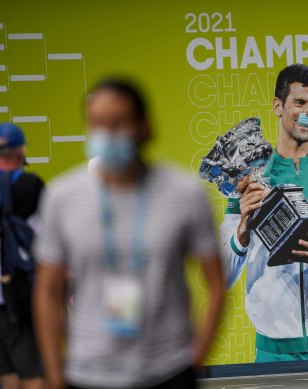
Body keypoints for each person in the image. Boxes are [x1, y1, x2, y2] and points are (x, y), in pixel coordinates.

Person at [33, 79, 225, 389]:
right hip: (87, 373)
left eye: (118, 123)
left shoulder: (185, 192)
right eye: (97, 123)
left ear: (144, 127)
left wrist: (195, 360)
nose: (107, 133)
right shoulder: (61, 197)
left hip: (168, 369)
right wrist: (55, 376)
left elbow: (216, 282)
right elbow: (47, 290)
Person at [220, 64, 308, 369]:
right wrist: (242, 232)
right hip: (274, 350)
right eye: (299, 103)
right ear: (277, 106)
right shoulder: (248, 178)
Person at [0, 123, 44, 389]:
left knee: (7, 369)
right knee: (34, 370)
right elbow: (47, 241)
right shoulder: (31, 185)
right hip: (23, 291)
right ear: (21, 150)